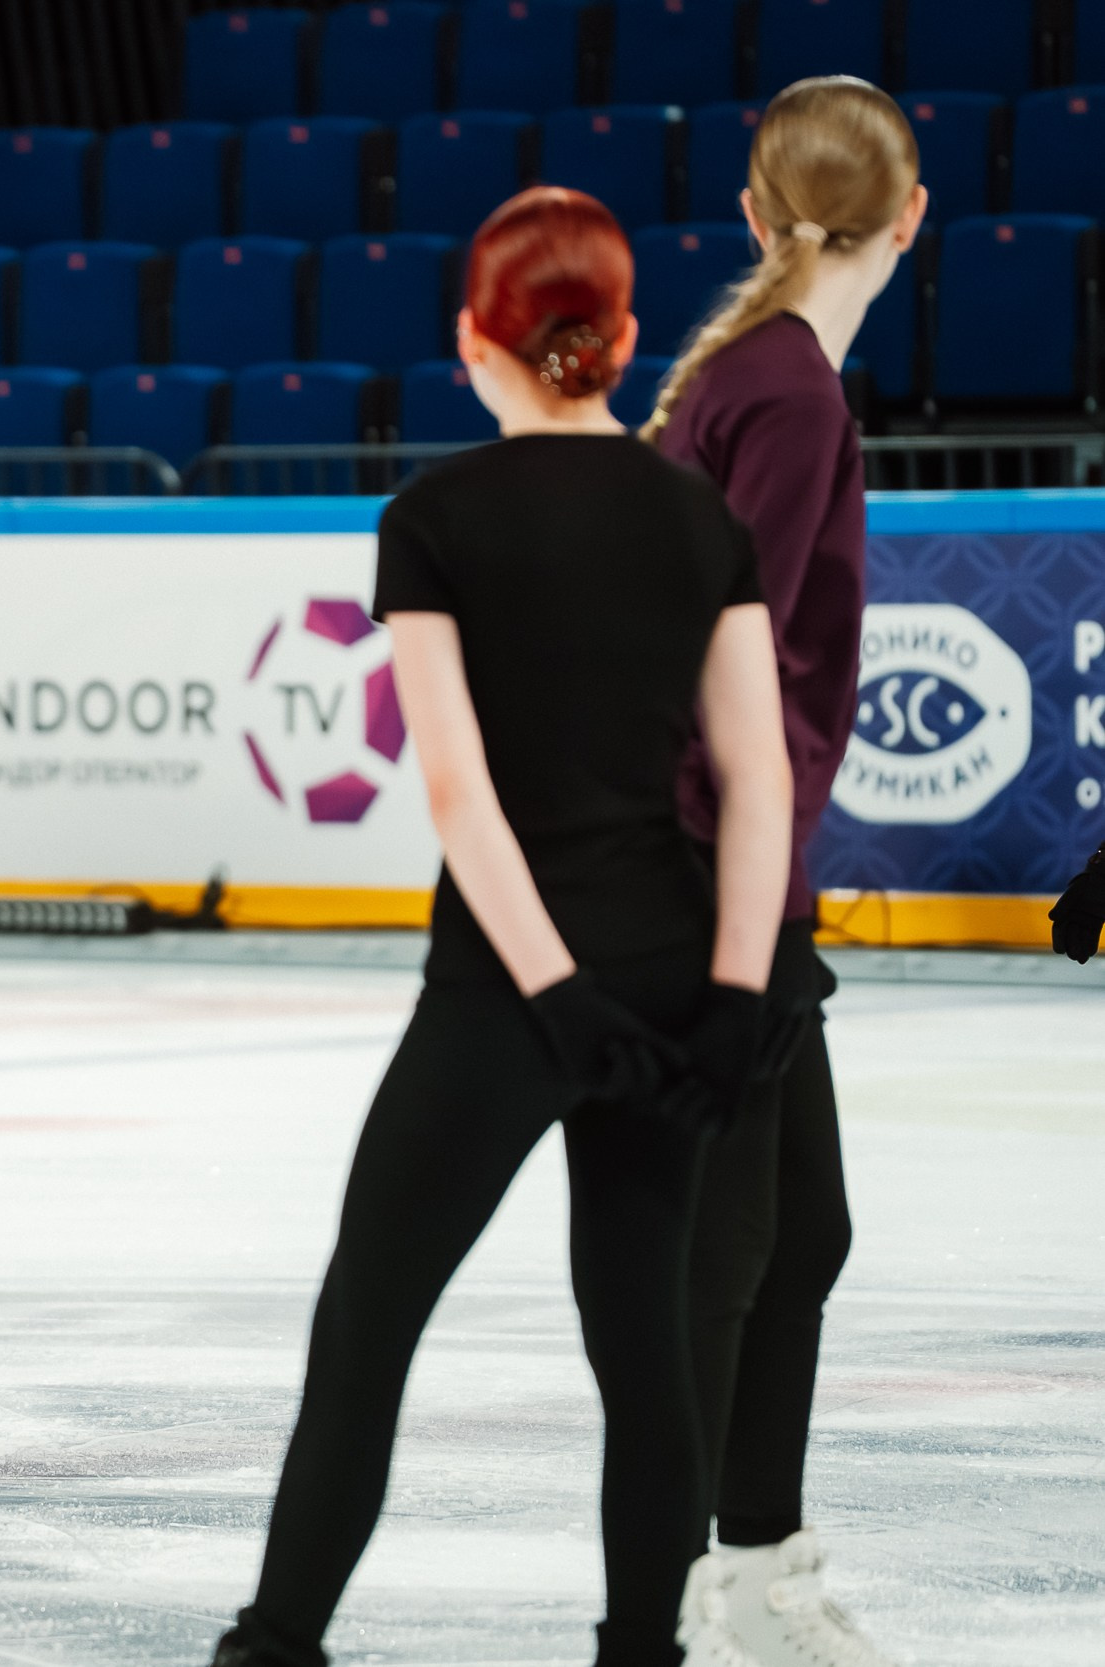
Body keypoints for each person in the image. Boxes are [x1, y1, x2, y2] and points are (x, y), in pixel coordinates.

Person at [211, 186, 794, 1667]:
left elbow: (464, 799)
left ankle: (277, 1645)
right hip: (672, 971)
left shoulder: (438, 517)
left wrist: (559, 997)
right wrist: (729, 999)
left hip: (503, 989)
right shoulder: (698, 515)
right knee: (644, 1348)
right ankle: (641, 1653)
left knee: (367, 1329)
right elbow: (758, 778)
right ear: (627, 336)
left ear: (474, 334)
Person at [641, 77, 927, 1667]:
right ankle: (677, 1579)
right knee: (735, 1245)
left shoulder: (757, 374)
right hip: (719, 875)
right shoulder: (790, 397)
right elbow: (727, 667)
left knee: (793, 1233)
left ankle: (751, 1557)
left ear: (754, 214)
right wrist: (742, 924)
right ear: (913, 220)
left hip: (729, 865)